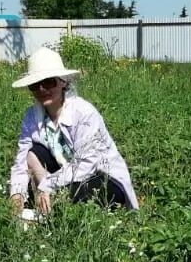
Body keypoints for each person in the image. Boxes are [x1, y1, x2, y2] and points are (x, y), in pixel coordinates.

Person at [8, 47, 138, 215]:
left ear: (63, 82)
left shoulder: (83, 112)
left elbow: (86, 164)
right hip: (64, 172)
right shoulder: (31, 116)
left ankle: (50, 203)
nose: (42, 89)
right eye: (35, 85)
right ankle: (46, 202)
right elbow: (21, 160)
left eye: (49, 82)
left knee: (75, 198)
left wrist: (47, 185)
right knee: (32, 153)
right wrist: (16, 193)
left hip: (100, 176)